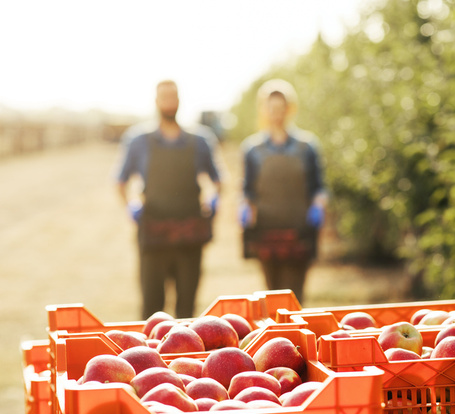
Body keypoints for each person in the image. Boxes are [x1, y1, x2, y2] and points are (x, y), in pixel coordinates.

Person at [116, 80, 221, 320]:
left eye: (173, 97)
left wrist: (215, 201)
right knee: (152, 310)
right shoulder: (138, 140)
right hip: (153, 234)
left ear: (179, 101)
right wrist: (130, 204)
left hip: (190, 234)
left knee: (187, 309)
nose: (169, 102)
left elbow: (217, 180)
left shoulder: (200, 140)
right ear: (156, 102)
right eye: (164, 97)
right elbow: (120, 180)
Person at [240, 79, 327, 303]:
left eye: (281, 108)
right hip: (267, 229)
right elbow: (247, 190)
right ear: (264, 110)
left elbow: (319, 188)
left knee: (294, 295)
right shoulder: (252, 149)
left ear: (290, 109)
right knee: (272, 293)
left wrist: (318, 206)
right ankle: (276, 337)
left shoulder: (307, 147)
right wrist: (244, 210)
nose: (276, 113)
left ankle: (294, 337)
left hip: (299, 228)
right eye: (271, 108)